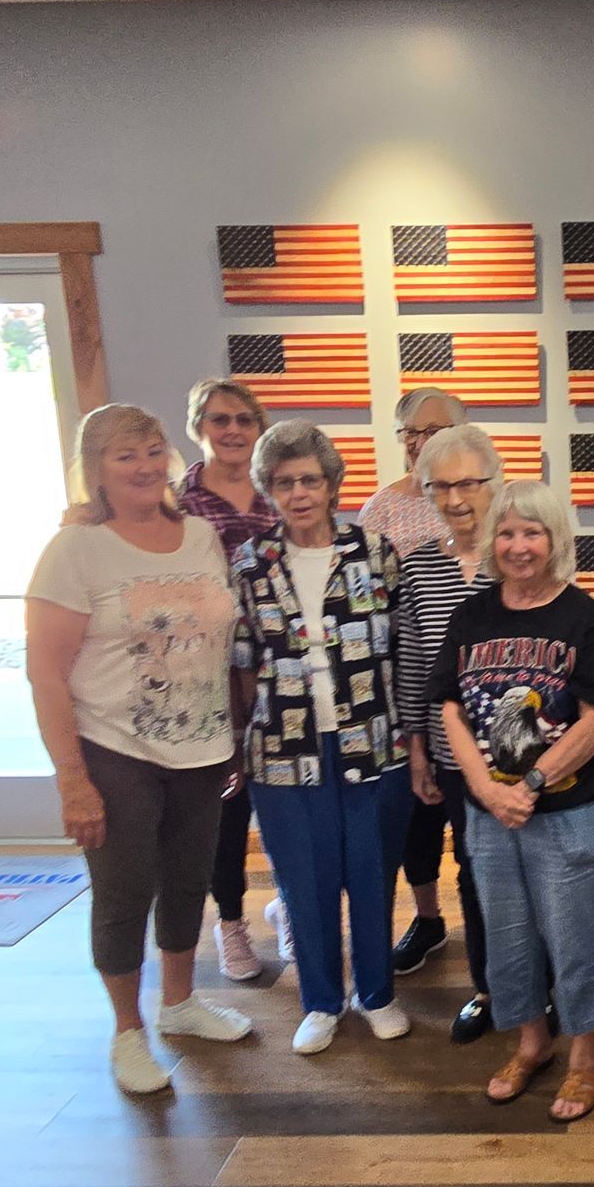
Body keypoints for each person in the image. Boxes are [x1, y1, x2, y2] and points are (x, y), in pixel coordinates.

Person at [25, 404, 252, 1096]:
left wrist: (233, 735)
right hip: (115, 748)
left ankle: (179, 1005)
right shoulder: (75, 550)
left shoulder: (201, 536)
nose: (146, 466)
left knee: (189, 880)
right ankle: (128, 1033)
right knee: (125, 892)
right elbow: (45, 669)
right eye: (125, 456)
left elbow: (221, 640)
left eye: (153, 451)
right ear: (94, 470)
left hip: (203, 747)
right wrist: (72, 779)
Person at [436, 480, 594, 1122]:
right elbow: (450, 708)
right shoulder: (474, 613)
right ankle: (531, 1043)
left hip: (570, 809)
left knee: (573, 939)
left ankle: (585, 1057)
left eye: (533, 533)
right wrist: (486, 788)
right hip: (490, 812)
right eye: (509, 533)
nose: (519, 546)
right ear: (494, 541)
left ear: (555, 541)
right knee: (507, 936)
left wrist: (531, 784)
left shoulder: (580, 616)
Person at [231, 420, 414, 1055]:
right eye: (284, 482)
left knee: (371, 872)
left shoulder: (374, 551)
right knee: (303, 879)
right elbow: (241, 659)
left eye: (310, 479)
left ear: (332, 483)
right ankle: (320, 1001)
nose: (300, 493)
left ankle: (377, 993)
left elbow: (404, 650)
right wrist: (234, 744)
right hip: (283, 751)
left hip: (373, 740)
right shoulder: (251, 564)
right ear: (269, 490)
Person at [395, 423, 503, 1044]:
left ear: (495, 482)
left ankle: (537, 983)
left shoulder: (520, 553)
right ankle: (488, 987)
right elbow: (412, 663)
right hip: (449, 757)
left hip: (519, 757)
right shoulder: (420, 569)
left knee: (526, 870)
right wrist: (416, 749)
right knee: (471, 867)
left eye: (469, 483)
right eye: (441, 487)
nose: (457, 499)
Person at [358, 387, 465, 979]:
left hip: (481, 694)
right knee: (417, 818)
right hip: (409, 686)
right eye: (410, 433)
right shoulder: (380, 510)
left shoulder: (491, 501)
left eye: (434, 430)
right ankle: (426, 918)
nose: (422, 442)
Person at [173, 379, 278, 985]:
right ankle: (232, 922)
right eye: (219, 419)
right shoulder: (177, 504)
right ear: (199, 427)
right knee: (227, 804)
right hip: (208, 672)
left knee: (287, 797)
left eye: (243, 419)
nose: (233, 430)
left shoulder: (278, 490)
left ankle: (286, 903)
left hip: (277, 663)